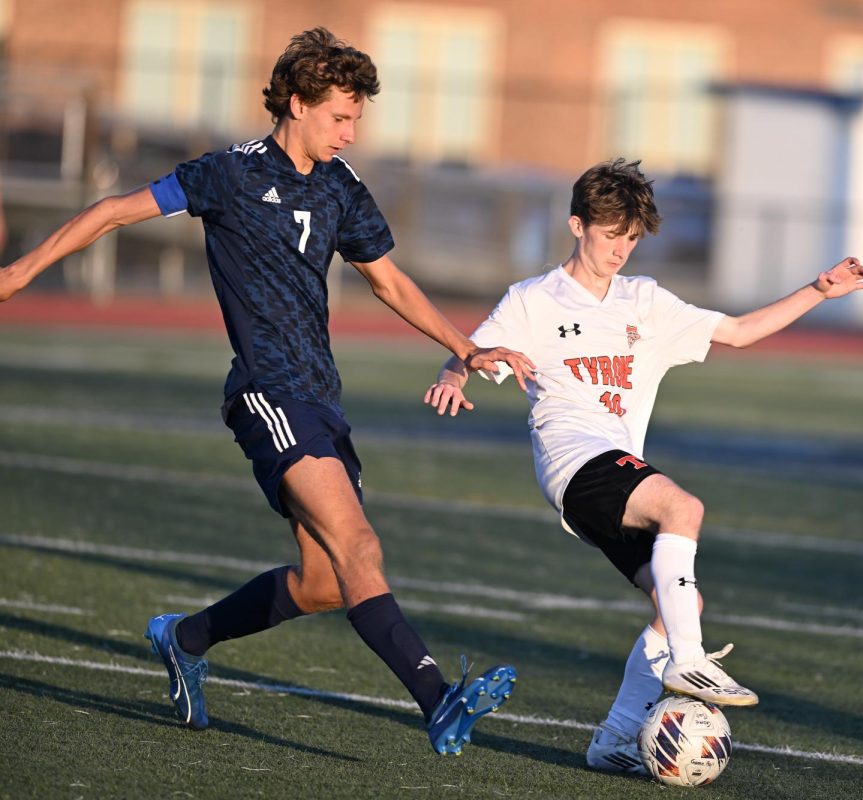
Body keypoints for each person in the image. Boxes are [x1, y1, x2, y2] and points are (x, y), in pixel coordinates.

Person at [0, 28, 536, 756]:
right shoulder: (228, 173)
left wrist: (463, 346)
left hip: (320, 395)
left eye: (357, 120)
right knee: (359, 547)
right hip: (266, 392)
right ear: (296, 102)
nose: (351, 133)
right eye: (340, 118)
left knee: (323, 581)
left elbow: (387, 281)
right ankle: (438, 699)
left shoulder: (343, 187)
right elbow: (112, 211)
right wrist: (18, 274)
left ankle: (186, 637)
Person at [423, 158, 863, 773]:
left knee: (678, 604)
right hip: (573, 458)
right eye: (612, 233)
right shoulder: (533, 300)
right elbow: (475, 350)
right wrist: (454, 370)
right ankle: (689, 660)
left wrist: (820, 290)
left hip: (612, 467)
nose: (621, 249)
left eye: (632, 237)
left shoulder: (645, 302)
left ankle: (614, 736)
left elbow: (739, 331)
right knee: (682, 507)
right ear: (577, 225)